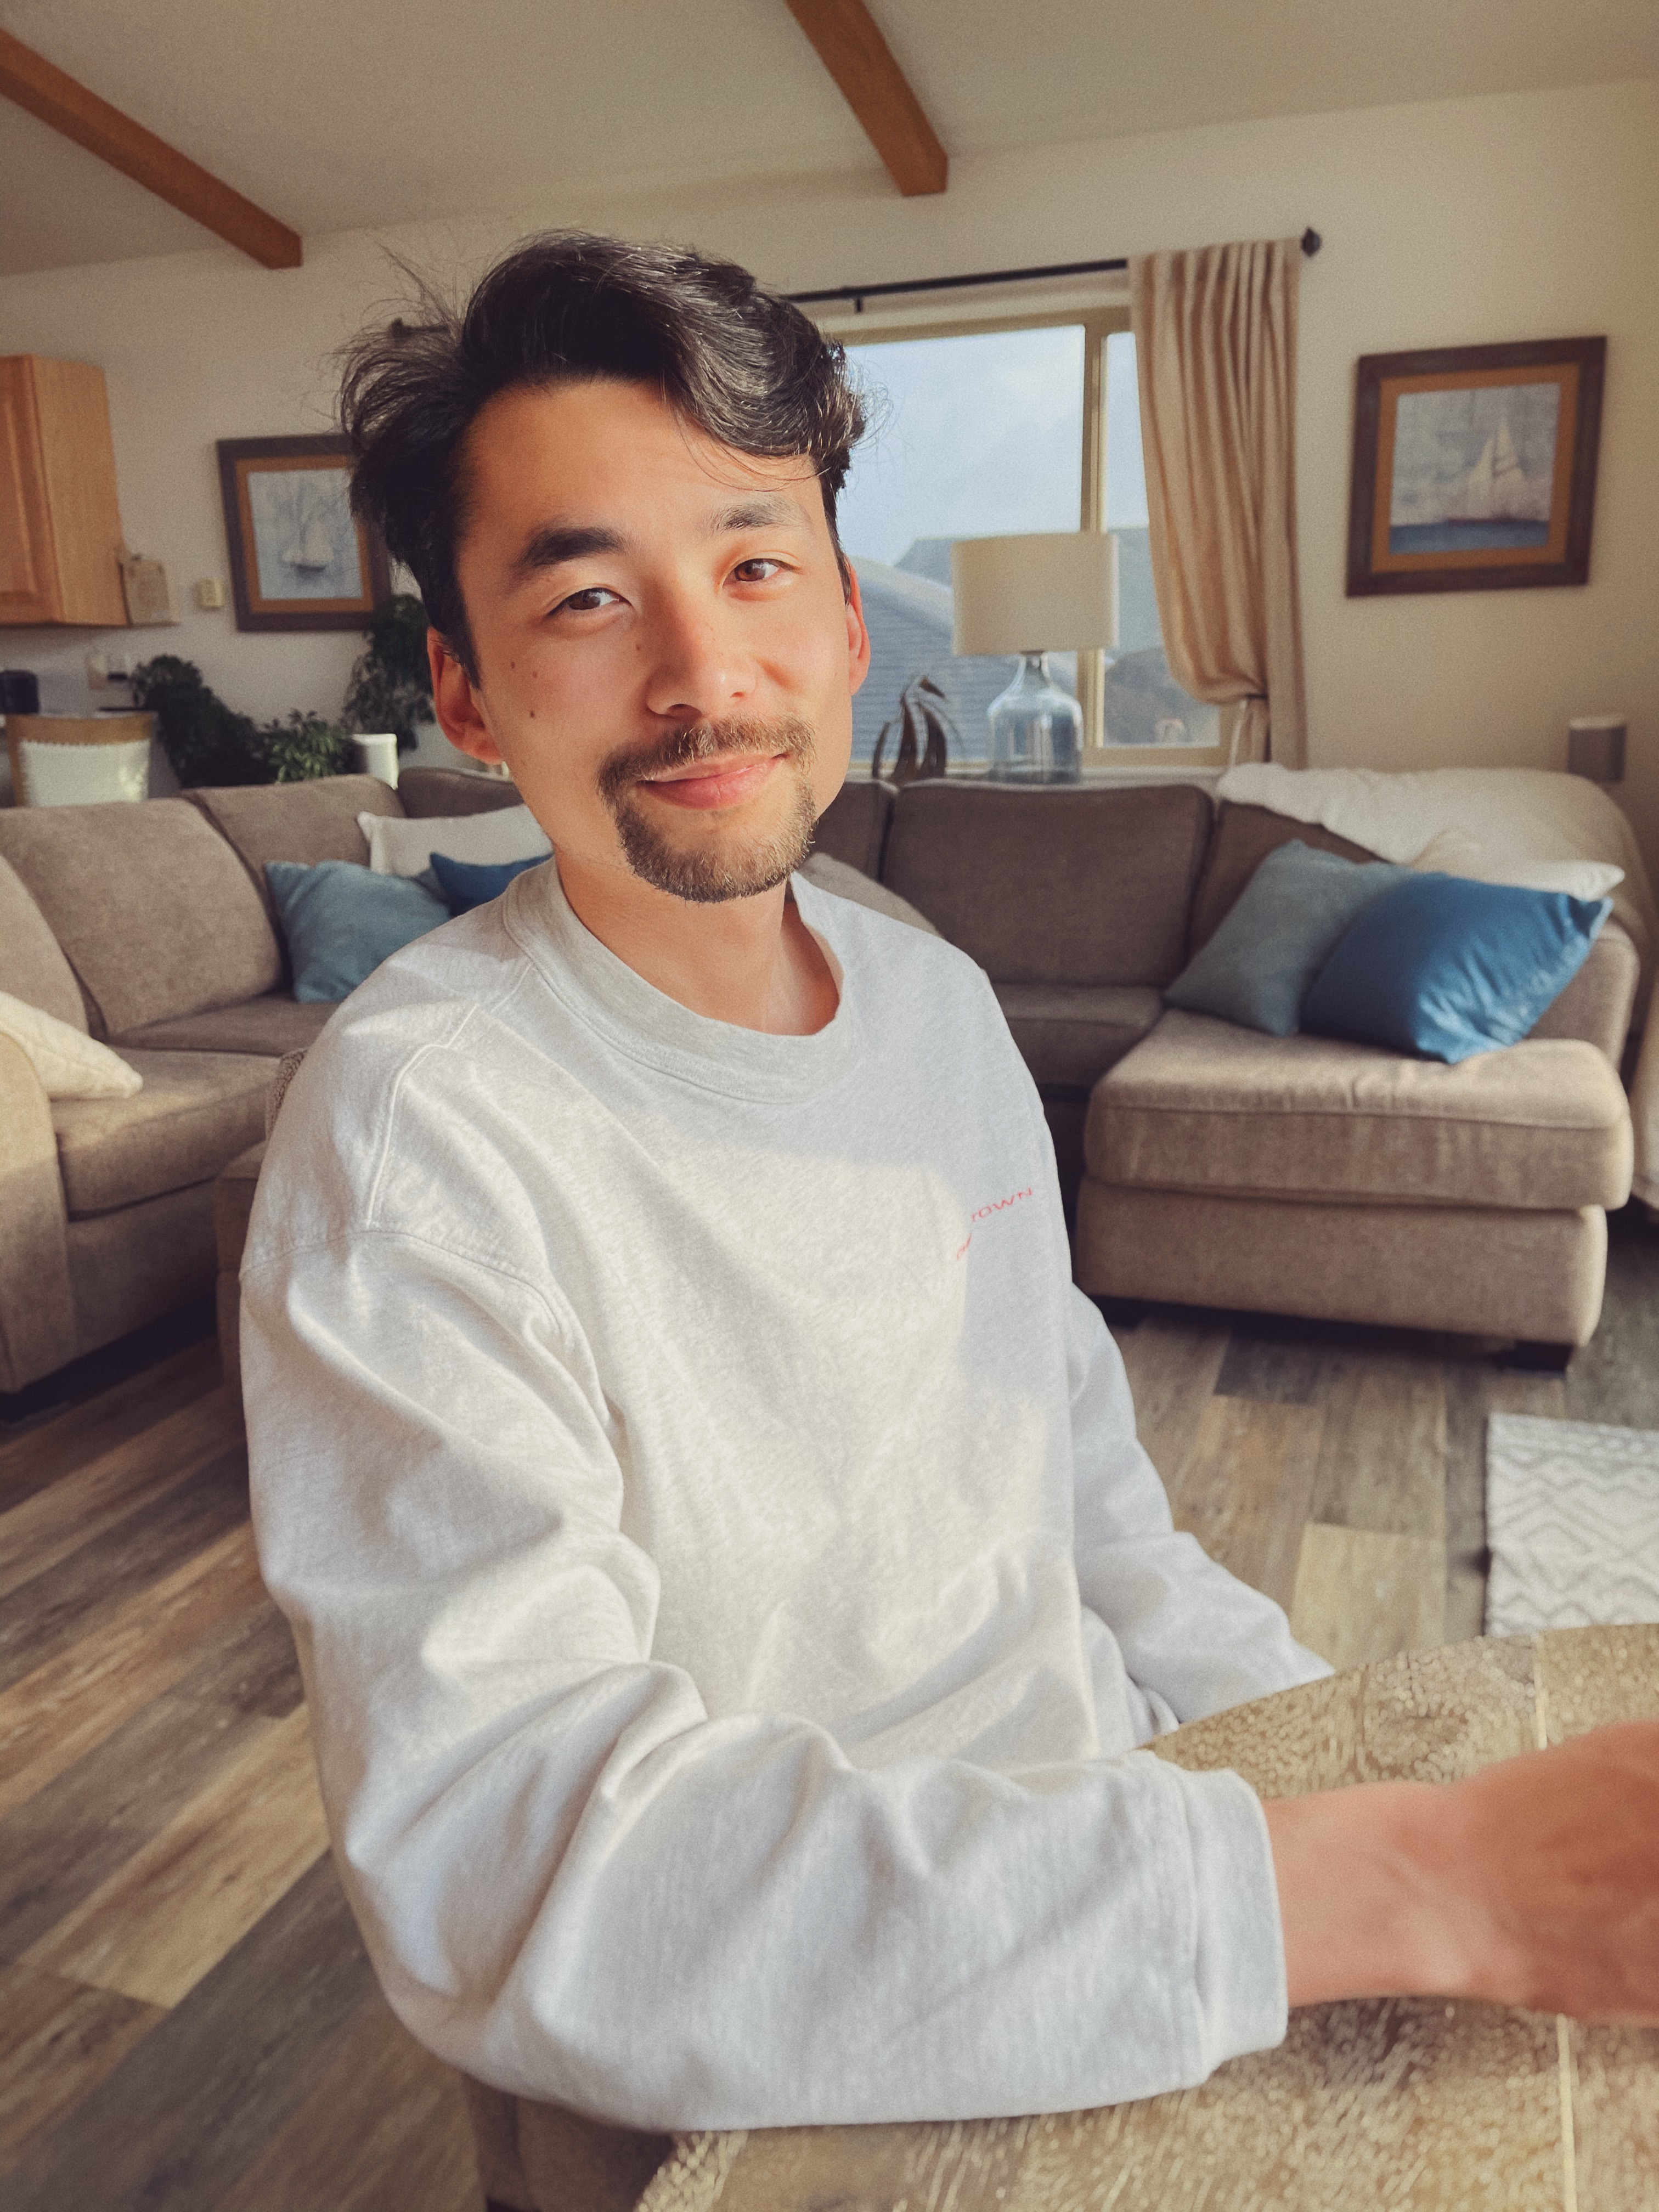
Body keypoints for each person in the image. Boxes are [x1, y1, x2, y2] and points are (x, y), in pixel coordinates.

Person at [244, 233, 1659, 2135]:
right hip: (815, 2047)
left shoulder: (931, 1001)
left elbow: (1090, 1514)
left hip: (1144, 1855)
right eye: (587, 597)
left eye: (757, 566)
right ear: (471, 697)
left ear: (844, 626)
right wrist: (1407, 1880)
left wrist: (1351, 1753)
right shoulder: (422, 1133)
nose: (701, 674)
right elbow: (524, 1867)